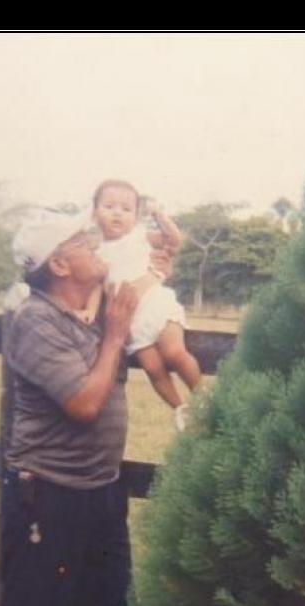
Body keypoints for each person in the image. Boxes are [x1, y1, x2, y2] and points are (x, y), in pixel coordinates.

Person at [0, 209, 171, 606]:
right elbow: (84, 404)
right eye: (81, 241)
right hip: (46, 497)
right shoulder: (34, 322)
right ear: (59, 264)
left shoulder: (95, 304)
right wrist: (116, 337)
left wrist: (157, 263)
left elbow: (138, 282)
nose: (96, 243)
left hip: (100, 494)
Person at [86, 179, 202, 431]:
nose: (118, 212)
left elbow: (174, 238)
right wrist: (90, 310)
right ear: (95, 213)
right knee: (152, 368)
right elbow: (97, 288)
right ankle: (180, 408)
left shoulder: (140, 237)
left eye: (126, 209)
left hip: (155, 305)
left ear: (136, 216)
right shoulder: (94, 253)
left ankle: (204, 398)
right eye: (109, 206)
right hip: (130, 320)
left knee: (173, 353)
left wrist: (158, 214)